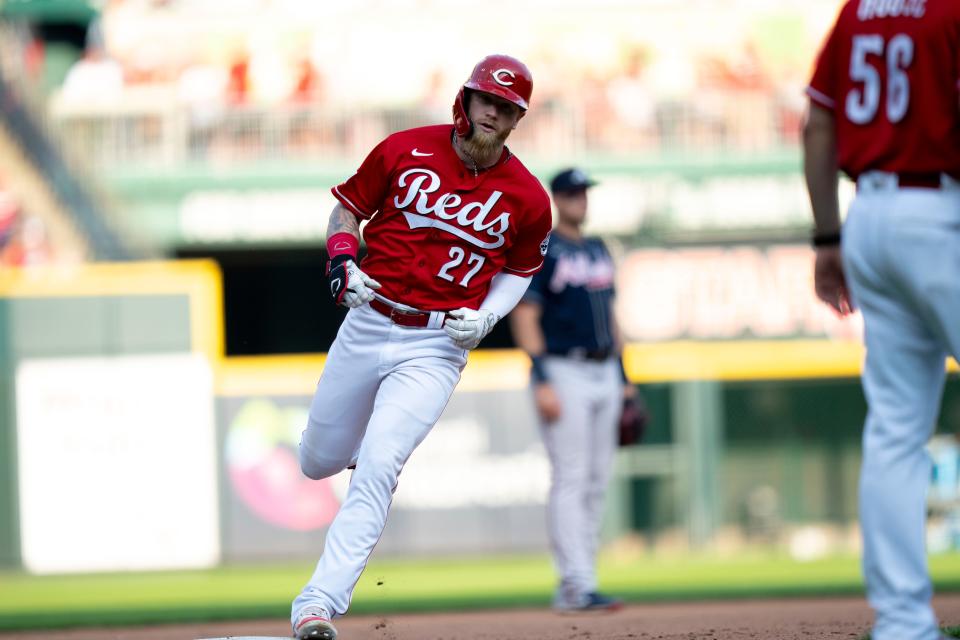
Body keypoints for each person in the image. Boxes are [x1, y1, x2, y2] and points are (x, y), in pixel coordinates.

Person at [290, 54, 553, 640]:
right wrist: (341, 258)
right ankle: (338, 447)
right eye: (488, 99)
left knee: (380, 466)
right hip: (368, 319)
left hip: (435, 345)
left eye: (507, 107)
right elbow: (347, 210)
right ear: (466, 99)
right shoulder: (404, 148)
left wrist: (487, 317)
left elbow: (520, 269)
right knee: (317, 463)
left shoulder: (529, 196)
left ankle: (317, 604)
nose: (495, 111)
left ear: (517, 120)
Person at [803, 3, 960, 639]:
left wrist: (826, 237)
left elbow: (818, 126)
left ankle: (901, 623)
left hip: (868, 212)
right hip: (941, 212)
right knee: (896, 427)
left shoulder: (859, 10)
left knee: (895, 429)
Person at [509, 167, 635, 613]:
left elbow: (612, 317)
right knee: (572, 476)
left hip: (604, 368)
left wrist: (626, 379)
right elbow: (524, 316)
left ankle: (585, 578)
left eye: (584, 192)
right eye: (572, 193)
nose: (581, 200)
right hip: (563, 369)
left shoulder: (599, 248)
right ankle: (574, 584)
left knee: (597, 480)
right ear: (557, 199)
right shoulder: (546, 250)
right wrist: (541, 376)